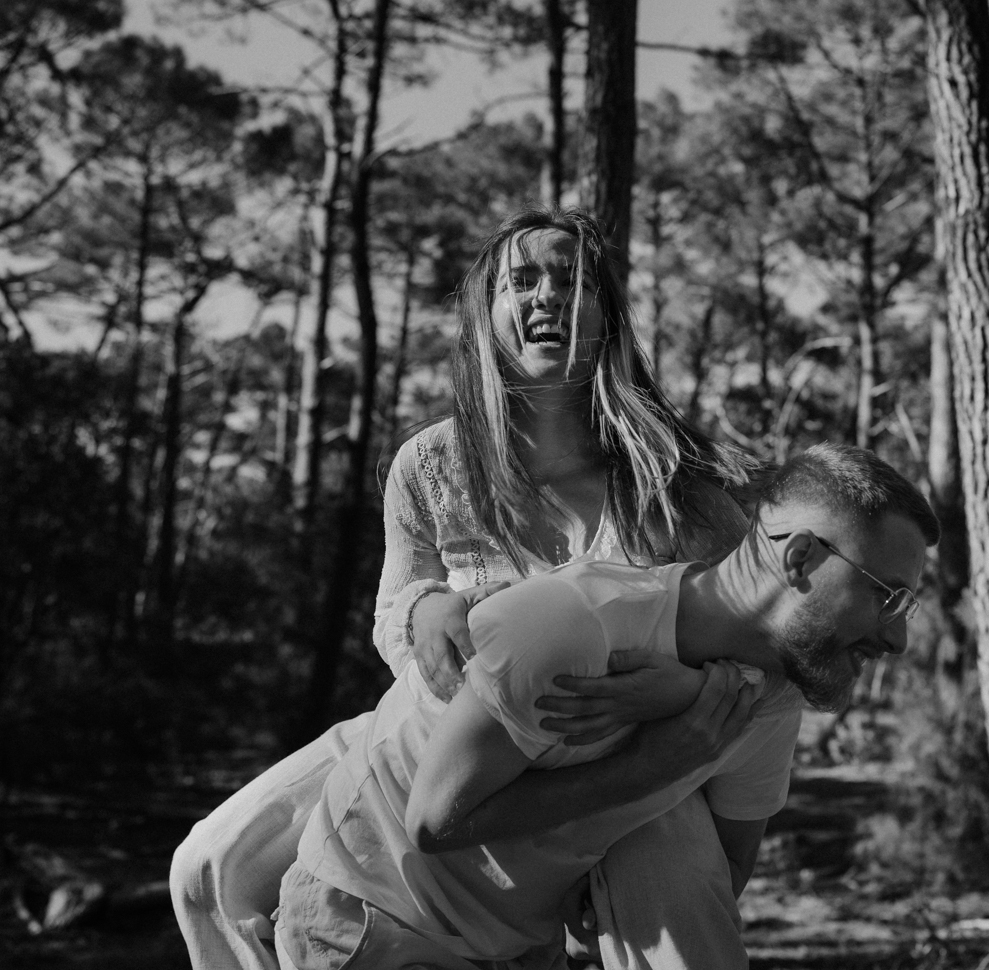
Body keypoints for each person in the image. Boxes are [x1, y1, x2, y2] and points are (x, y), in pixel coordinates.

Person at [171, 207, 760, 970]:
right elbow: (393, 607)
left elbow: (760, 640)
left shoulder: (671, 478)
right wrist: (424, 608)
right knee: (207, 868)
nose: (548, 294)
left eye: (574, 279)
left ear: (606, 318)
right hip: (441, 740)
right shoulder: (431, 465)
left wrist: (676, 690)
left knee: (681, 915)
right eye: (523, 280)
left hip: (620, 753)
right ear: (488, 317)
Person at [274, 443, 939, 970]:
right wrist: (648, 769)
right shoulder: (574, 623)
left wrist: (604, 901)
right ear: (798, 559)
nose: (899, 636)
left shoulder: (767, 697)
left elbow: (726, 871)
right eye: (888, 594)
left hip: (514, 947)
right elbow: (432, 818)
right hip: (368, 920)